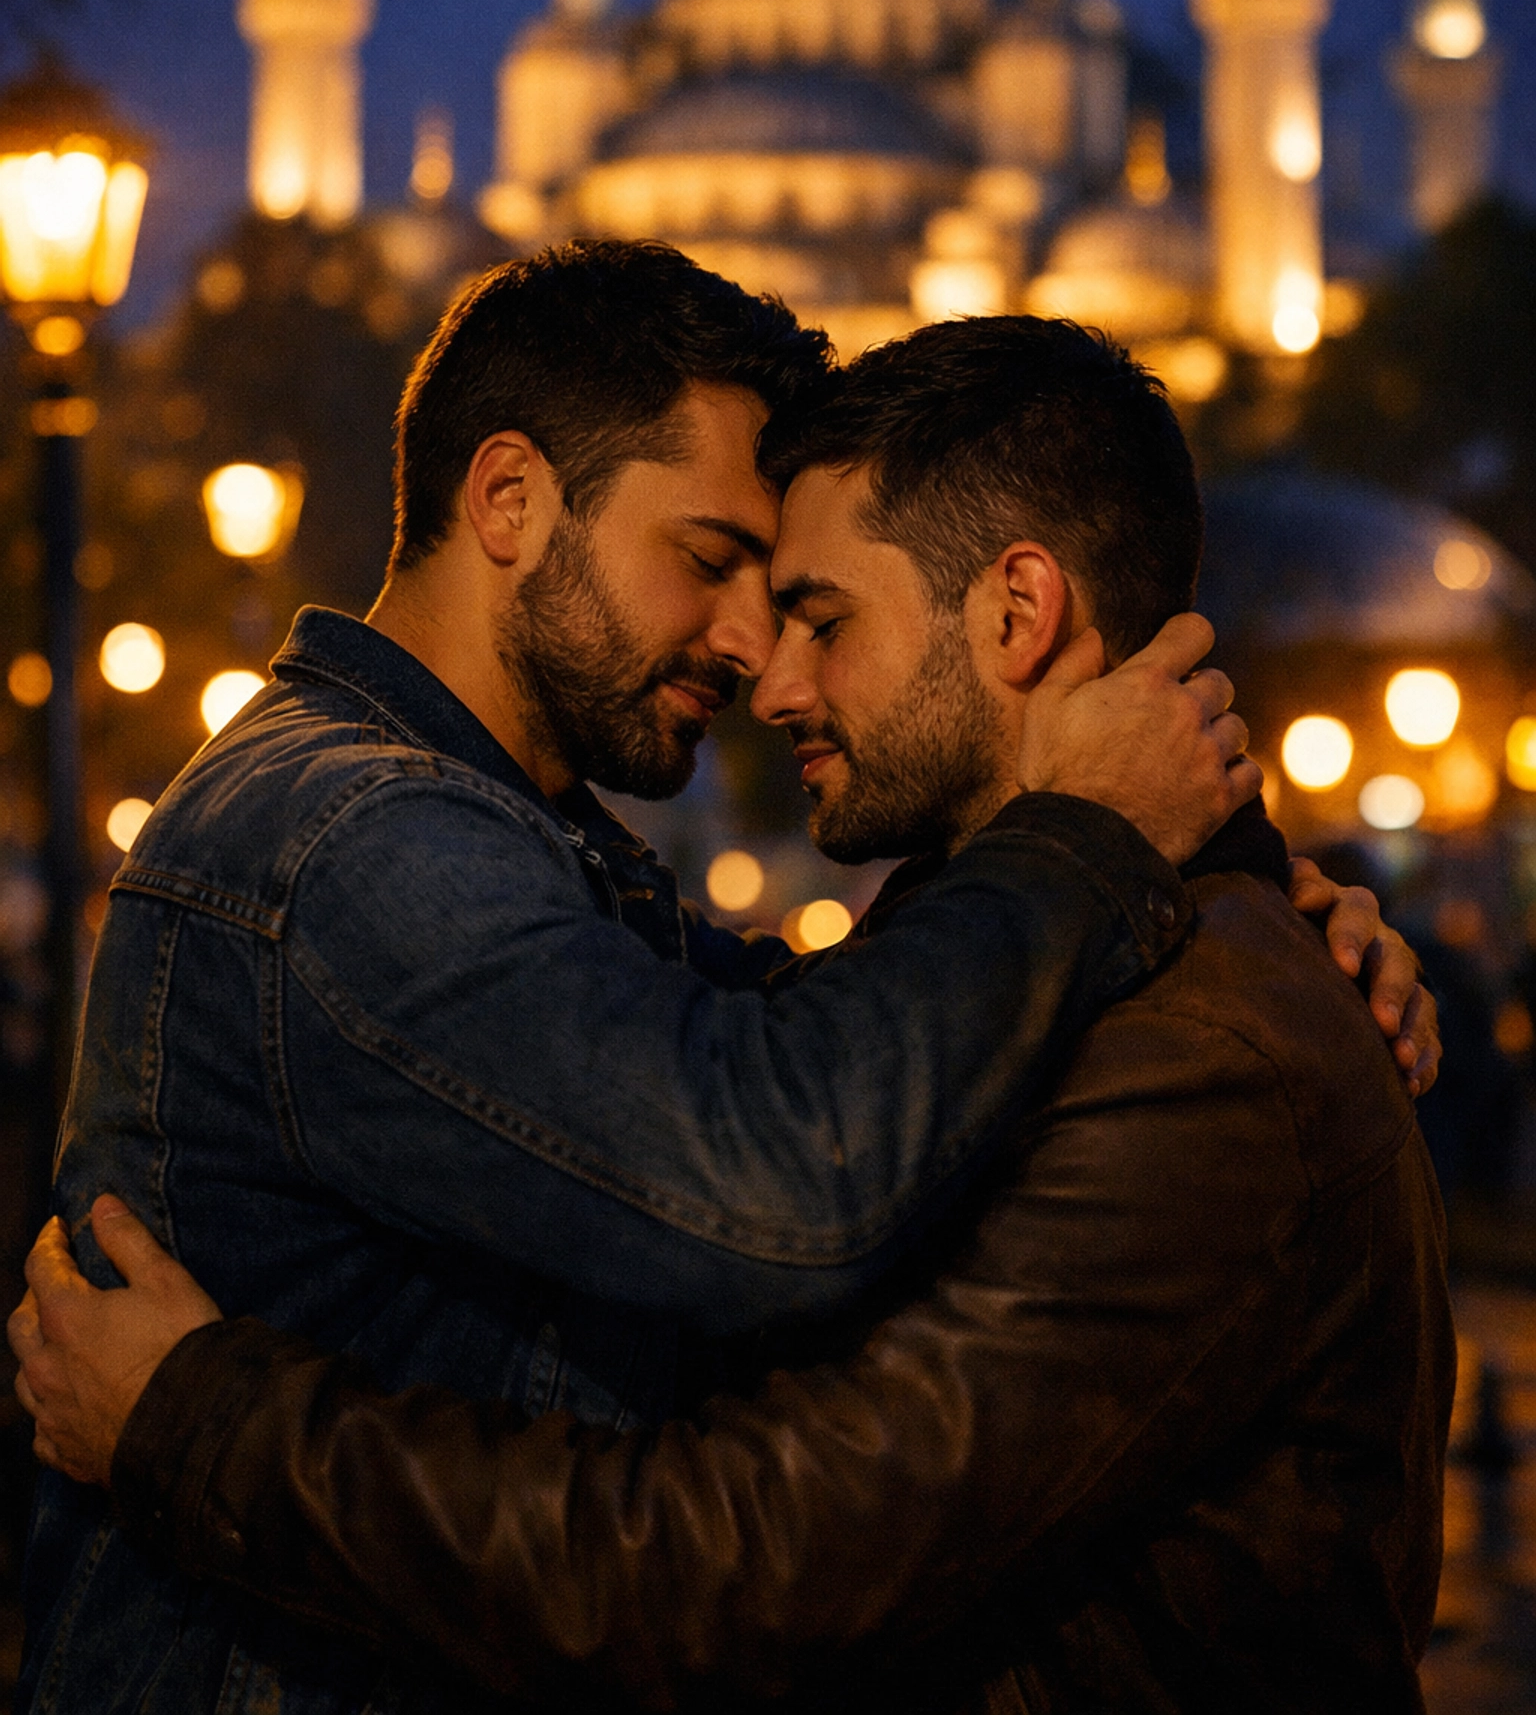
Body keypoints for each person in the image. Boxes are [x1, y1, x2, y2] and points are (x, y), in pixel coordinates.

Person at [13, 315, 1449, 1715]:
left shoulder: (1188, 1042)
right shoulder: (362, 833)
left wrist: (1206, 884)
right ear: (508, 497)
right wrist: (1108, 852)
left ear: (1016, 609)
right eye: (712, 562)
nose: (765, 662)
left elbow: (756, 1545)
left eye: (813, 608)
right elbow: (784, 1151)